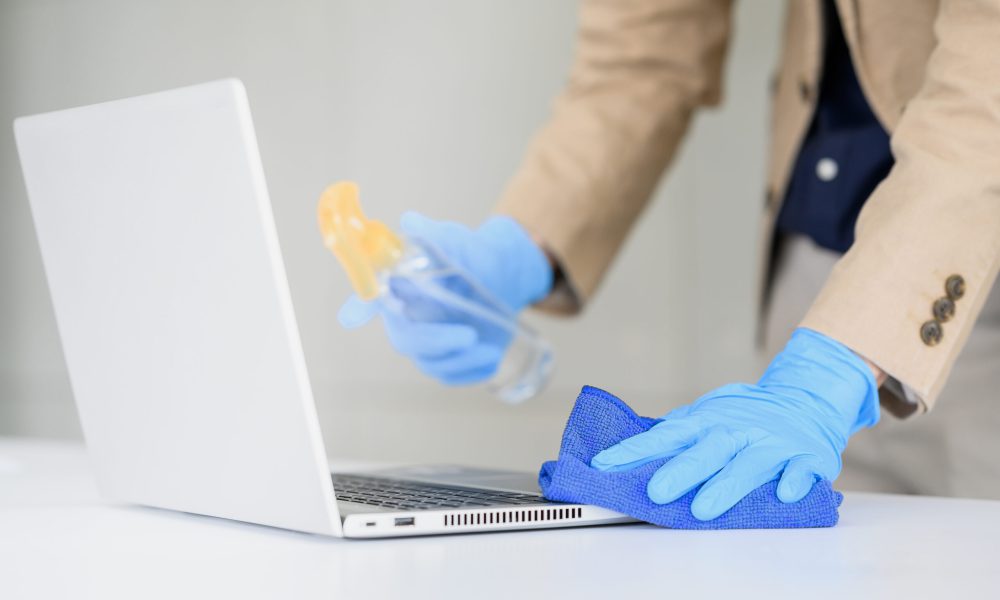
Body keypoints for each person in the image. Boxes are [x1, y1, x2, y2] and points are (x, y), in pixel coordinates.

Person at [340, 0, 1000, 518]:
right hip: (820, 282)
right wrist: (522, 243)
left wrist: (835, 366)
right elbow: (645, 49)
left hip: (970, 279)